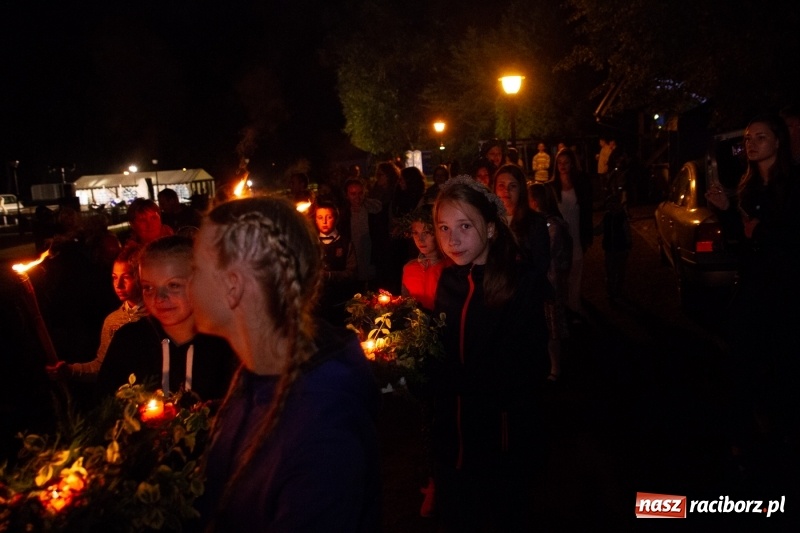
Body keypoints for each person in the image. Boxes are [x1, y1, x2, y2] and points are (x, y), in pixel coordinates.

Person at [190, 196, 381, 532]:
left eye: (195, 269)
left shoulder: (320, 431)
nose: (188, 283)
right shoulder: (259, 373)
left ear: (232, 286)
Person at [431, 176, 549, 532]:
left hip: (500, 439)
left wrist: (455, 379)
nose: (452, 239)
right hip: (453, 437)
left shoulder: (519, 282)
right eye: (444, 228)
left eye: (465, 226)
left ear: (492, 228)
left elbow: (531, 365)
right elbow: (443, 348)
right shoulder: (449, 281)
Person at [706, 113, 800, 451]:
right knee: (746, 355)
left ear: (777, 141)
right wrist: (725, 211)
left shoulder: (792, 184)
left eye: (759, 137)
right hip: (753, 285)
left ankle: (783, 427)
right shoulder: (748, 186)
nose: (751, 144)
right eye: (747, 139)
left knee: (783, 358)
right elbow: (740, 239)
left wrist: (760, 229)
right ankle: (752, 429)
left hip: (785, 288)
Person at [96, 235, 236, 401]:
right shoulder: (130, 341)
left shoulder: (227, 345)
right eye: (148, 287)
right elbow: (103, 407)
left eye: (174, 285)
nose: (159, 298)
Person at [46, 245, 147, 382]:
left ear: (141, 277)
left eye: (126, 277)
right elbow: (102, 366)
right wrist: (70, 370)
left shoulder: (156, 315)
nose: (118, 285)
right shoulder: (113, 321)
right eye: (114, 278)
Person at [529, 183, 572, 381]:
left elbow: (549, 253)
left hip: (550, 283)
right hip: (543, 282)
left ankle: (555, 367)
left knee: (552, 327)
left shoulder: (551, 225)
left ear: (535, 201)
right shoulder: (542, 223)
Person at [550, 148, 593, 322]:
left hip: (576, 233)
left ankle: (574, 305)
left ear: (572, 164)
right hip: (559, 238)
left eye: (566, 162)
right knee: (561, 275)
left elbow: (587, 211)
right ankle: (563, 308)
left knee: (576, 271)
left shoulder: (580, 185)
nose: (563, 166)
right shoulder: (552, 187)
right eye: (560, 163)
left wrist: (587, 235)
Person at [494, 164, 551, 288]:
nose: (506, 191)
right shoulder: (489, 222)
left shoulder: (535, 222)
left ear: (521, 189)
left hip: (525, 294)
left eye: (512, 186)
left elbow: (541, 265)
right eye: (501, 185)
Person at [313, 197, 357, 326]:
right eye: (320, 218)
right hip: (318, 305)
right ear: (315, 219)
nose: (324, 222)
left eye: (329, 217)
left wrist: (330, 275)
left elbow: (352, 273)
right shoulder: (311, 243)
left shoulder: (345, 243)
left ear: (336, 219)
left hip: (341, 302)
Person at [401, 204, 449, 312]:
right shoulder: (409, 268)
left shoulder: (450, 267)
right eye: (415, 233)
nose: (420, 239)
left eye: (426, 232)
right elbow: (404, 307)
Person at [339, 178, 384, 291]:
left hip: (371, 255)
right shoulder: (343, 214)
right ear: (347, 195)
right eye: (353, 194)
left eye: (360, 193)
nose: (357, 198)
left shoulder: (372, 210)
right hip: (354, 257)